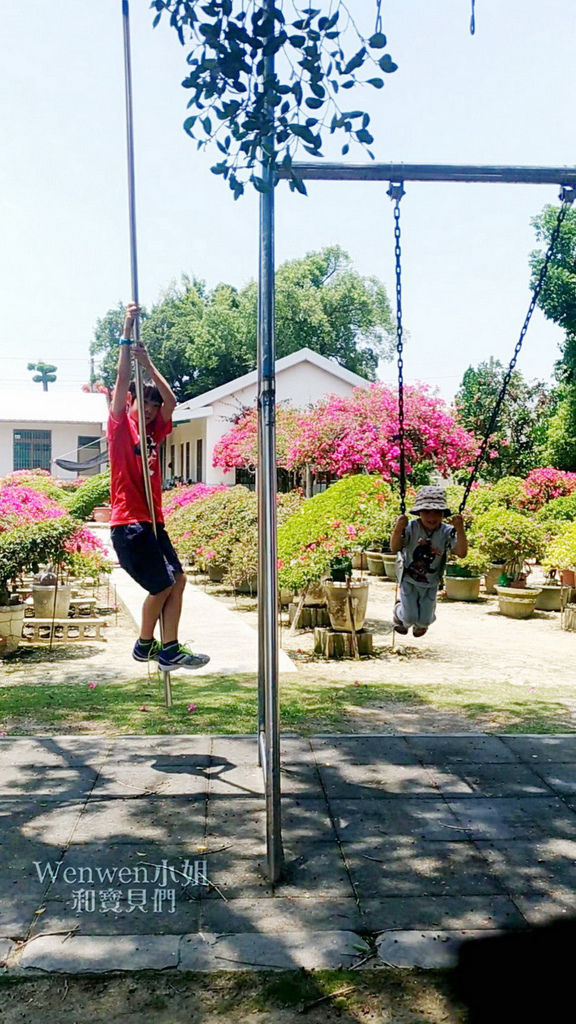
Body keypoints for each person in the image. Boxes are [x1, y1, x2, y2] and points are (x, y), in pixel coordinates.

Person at [107, 302, 209, 672]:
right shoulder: (121, 427)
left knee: (178, 580)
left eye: (152, 406)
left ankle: (169, 649)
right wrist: (126, 332)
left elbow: (172, 400)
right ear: (132, 404)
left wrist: (148, 364)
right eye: (143, 404)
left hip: (154, 522)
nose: (150, 410)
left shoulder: (156, 430)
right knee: (162, 585)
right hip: (130, 524)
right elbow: (120, 383)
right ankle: (144, 644)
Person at [389, 485, 467, 637]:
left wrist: (460, 529)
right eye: (426, 511)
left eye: (437, 512)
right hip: (409, 579)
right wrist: (398, 528)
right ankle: (399, 612)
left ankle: (420, 624)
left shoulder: (446, 531)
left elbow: (461, 553)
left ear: (443, 513)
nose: (432, 517)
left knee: (425, 621)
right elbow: (395, 547)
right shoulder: (411, 527)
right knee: (409, 618)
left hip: (431, 582)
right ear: (419, 512)